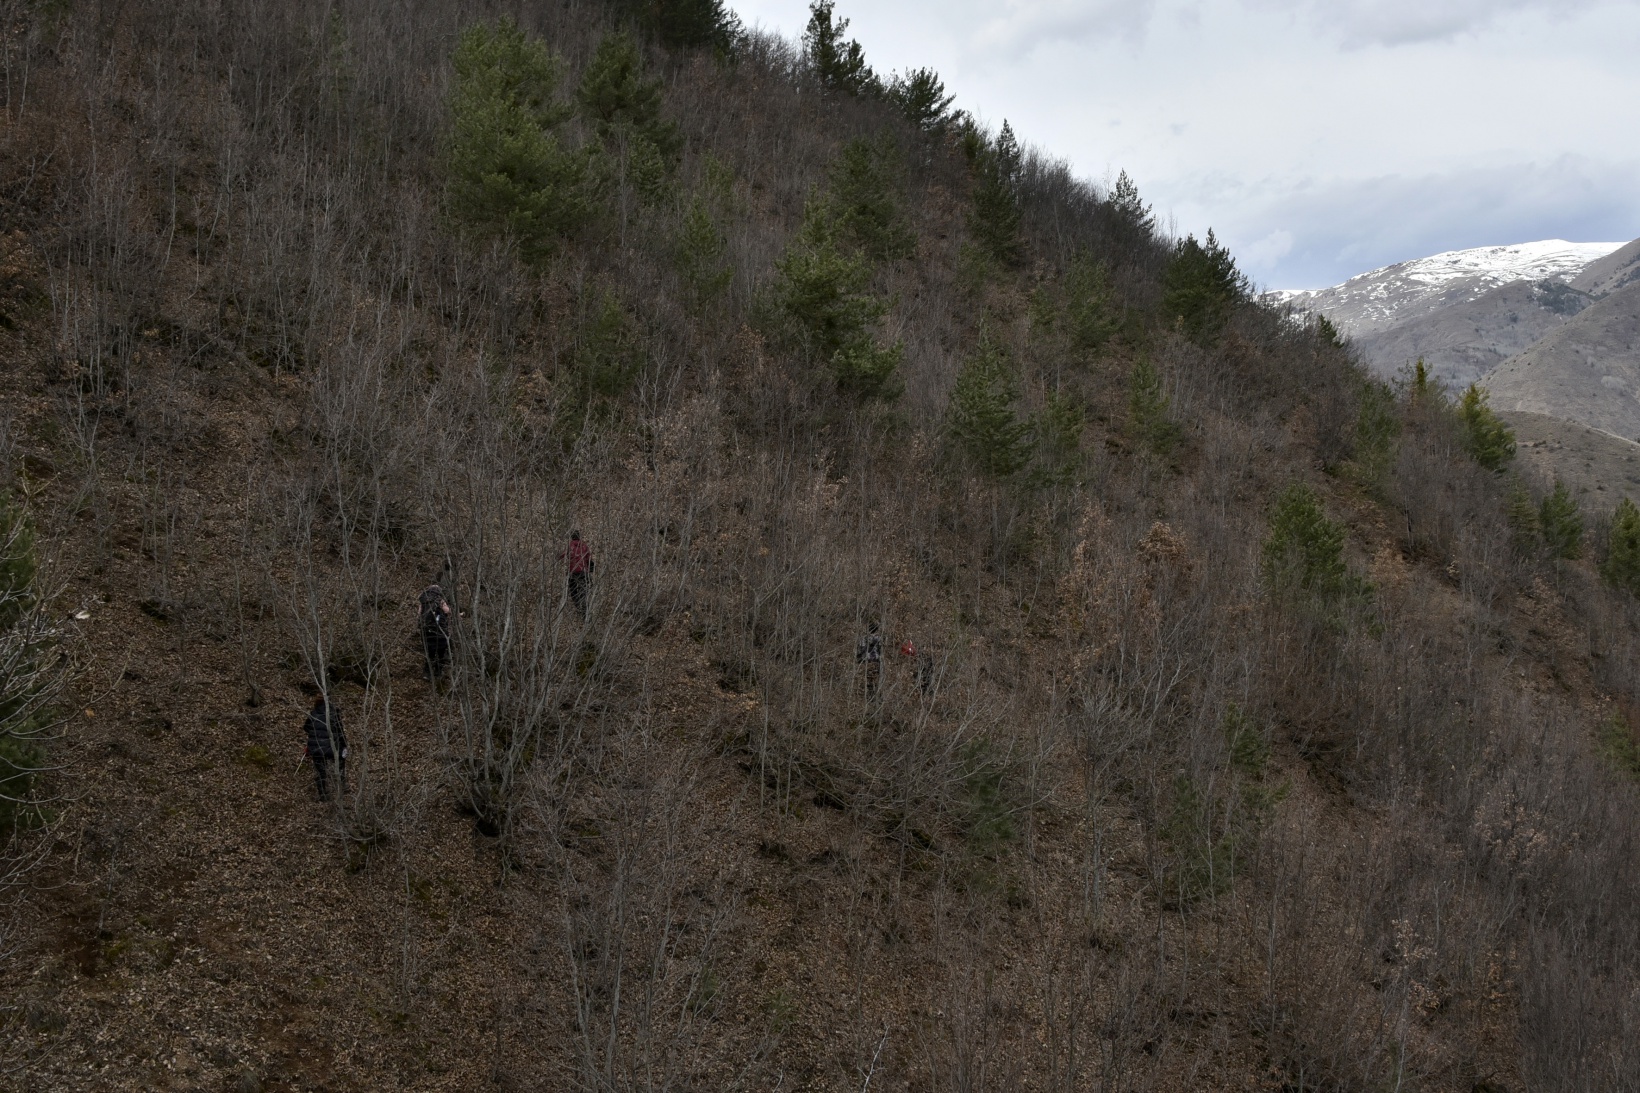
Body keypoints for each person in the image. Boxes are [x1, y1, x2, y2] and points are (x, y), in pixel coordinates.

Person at [302, 695, 347, 802]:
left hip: (316, 747)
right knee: (340, 763)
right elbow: (340, 731)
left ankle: (322, 793)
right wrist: (344, 745)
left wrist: (314, 734)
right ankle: (342, 786)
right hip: (331, 747)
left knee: (320, 771)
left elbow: (306, 727)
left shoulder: (313, 714)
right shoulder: (333, 713)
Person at [418, 581, 452, 680]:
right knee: (441, 652)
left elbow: (419, 614)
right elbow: (447, 611)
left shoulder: (423, 600)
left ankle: (427, 673)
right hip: (440, 630)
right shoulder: (439, 600)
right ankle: (438, 671)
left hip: (426, 631)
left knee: (429, 653)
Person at [561, 530, 594, 614]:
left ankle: (577, 605)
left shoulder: (570, 546)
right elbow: (589, 559)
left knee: (573, 590)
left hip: (573, 572)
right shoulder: (584, 546)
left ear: (572, 537)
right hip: (583, 571)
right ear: (579, 537)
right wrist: (590, 569)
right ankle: (584, 609)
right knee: (584, 590)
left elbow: (562, 554)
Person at [856, 622, 883, 696]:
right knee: (875, 677)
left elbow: (861, 649)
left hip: (866, 660)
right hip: (876, 660)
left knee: (868, 677)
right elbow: (881, 650)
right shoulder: (879, 639)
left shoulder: (864, 638)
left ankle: (869, 693)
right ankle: (874, 693)